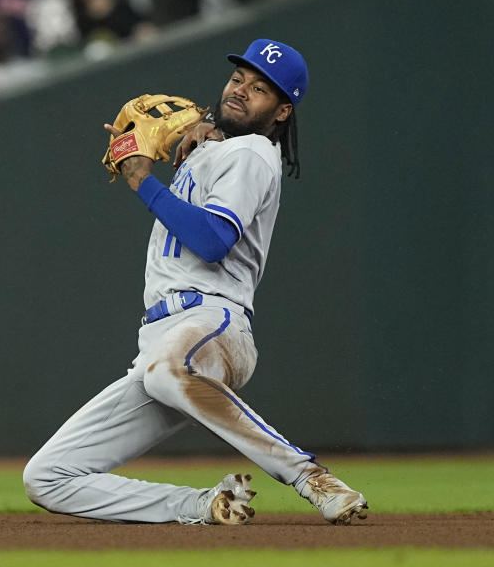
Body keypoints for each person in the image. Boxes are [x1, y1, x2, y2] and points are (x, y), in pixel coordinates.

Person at [23, 39, 369, 525]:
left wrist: (143, 178)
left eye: (261, 89)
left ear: (282, 111)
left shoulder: (252, 152)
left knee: (167, 371)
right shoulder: (214, 147)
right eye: (238, 80)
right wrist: (194, 134)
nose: (242, 91)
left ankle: (312, 477)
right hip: (162, 340)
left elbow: (211, 240)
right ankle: (203, 505)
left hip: (213, 322)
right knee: (48, 476)